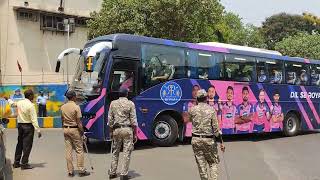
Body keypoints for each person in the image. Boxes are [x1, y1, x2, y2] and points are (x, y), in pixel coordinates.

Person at [188, 89, 225, 180]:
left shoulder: (192, 110)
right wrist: (221, 143)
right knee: (213, 163)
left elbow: (190, 121)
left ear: (197, 99)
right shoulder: (211, 110)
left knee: (201, 166)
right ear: (206, 98)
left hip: (196, 140)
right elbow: (216, 130)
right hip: (209, 141)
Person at [7, 89, 42, 170]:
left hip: (20, 126)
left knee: (19, 144)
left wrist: (8, 99)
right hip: (28, 127)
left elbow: (12, 104)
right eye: (32, 95)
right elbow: (34, 119)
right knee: (27, 145)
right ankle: (24, 164)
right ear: (30, 96)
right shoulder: (31, 105)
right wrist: (38, 130)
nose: (33, 96)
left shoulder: (20, 102)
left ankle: (16, 163)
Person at [108, 88, 137, 180]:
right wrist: (135, 133)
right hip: (127, 130)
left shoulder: (113, 103)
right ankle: (124, 174)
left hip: (116, 130)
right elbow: (133, 121)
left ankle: (112, 172)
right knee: (126, 152)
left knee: (115, 151)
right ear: (127, 94)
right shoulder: (131, 104)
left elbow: (110, 119)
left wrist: (111, 131)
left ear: (119, 94)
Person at [61, 90, 90, 177]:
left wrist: (64, 128)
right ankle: (81, 170)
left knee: (68, 150)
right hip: (74, 129)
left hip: (66, 129)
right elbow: (79, 122)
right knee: (79, 150)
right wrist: (82, 132)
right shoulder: (76, 107)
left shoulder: (62, 107)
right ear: (74, 97)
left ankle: (70, 171)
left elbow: (62, 120)